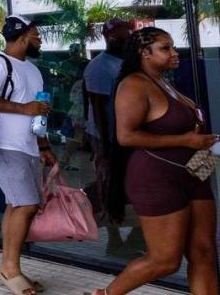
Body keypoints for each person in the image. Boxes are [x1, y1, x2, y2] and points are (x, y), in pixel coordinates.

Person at [88, 28, 219, 295]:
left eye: (173, 47)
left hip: (194, 175)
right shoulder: (133, 84)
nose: (174, 53)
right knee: (165, 260)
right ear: (144, 53)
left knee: (204, 252)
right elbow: (126, 136)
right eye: (165, 48)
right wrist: (186, 141)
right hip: (156, 179)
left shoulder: (164, 82)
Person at [0, 15, 56, 295]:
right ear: (22, 37)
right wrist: (24, 109)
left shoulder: (32, 70)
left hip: (28, 145)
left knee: (17, 205)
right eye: (36, 34)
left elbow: (39, 110)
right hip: (3, 145)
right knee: (27, 205)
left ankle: (8, 268)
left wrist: (44, 146)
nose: (40, 39)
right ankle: (10, 270)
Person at [84, 18, 144, 259]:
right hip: (108, 136)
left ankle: (134, 237)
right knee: (108, 185)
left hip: (129, 134)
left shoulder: (129, 63)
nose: (129, 40)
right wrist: (106, 147)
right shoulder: (100, 67)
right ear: (110, 38)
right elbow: (98, 109)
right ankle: (115, 239)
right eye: (124, 36)